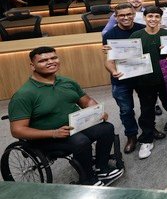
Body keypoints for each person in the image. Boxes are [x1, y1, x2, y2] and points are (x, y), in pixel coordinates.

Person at [8, 47, 124, 186]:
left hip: (75, 126)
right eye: (43, 60)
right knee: (80, 141)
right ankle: (87, 179)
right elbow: (17, 130)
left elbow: (86, 101)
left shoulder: (67, 82)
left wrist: (97, 111)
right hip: (47, 137)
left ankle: (101, 167)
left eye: (53, 58)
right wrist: (53, 133)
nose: (50, 62)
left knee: (106, 128)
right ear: (32, 66)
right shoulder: (24, 95)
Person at [129, 6, 167, 157]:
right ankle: (147, 139)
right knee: (147, 110)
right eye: (150, 16)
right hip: (144, 81)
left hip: (165, 79)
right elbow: (129, 58)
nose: (153, 19)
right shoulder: (136, 35)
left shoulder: (166, 34)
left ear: (161, 19)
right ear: (144, 18)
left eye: (156, 16)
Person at [102, 2, 145, 154]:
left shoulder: (143, 29)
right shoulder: (109, 35)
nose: (125, 18)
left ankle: (148, 130)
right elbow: (108, 60)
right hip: (120, 78)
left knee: (147, 106)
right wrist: (113, 71)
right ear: (116, 17)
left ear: (134, 14)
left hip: (141, 75)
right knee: (126, 110)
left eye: (128, 14)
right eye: (121, 15)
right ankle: (131, 136)